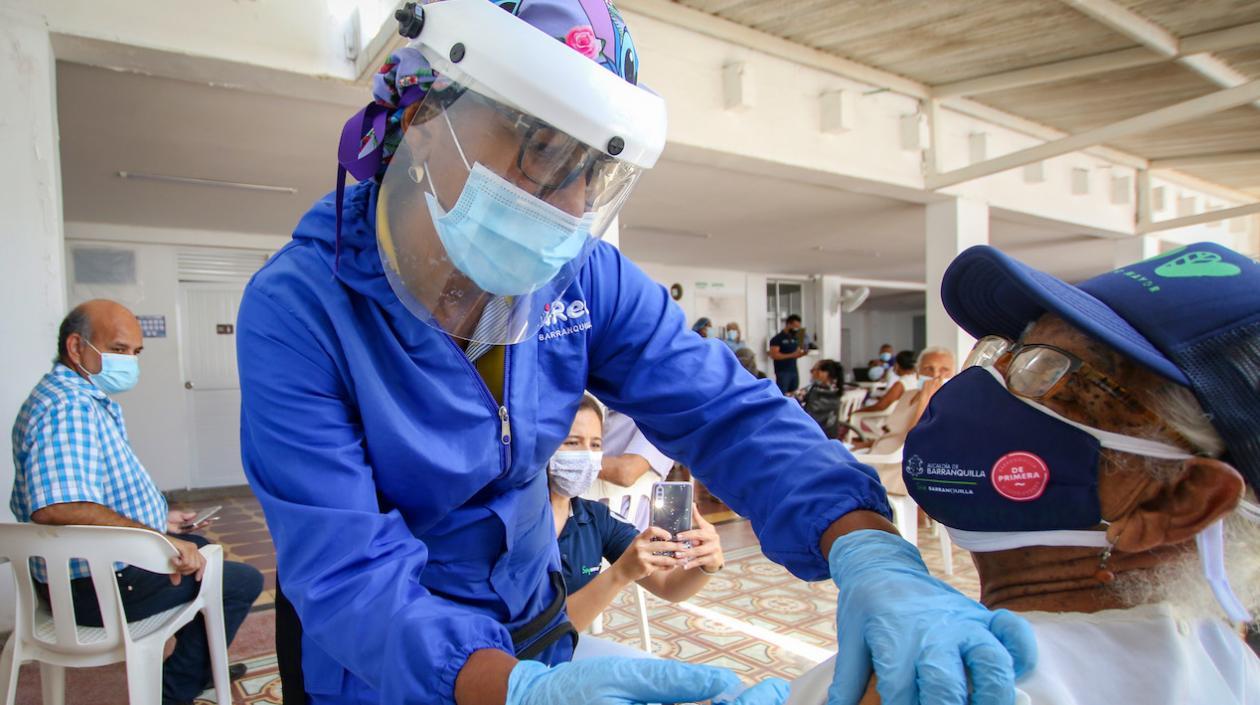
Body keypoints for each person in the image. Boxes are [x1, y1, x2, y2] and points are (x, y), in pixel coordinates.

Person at [236, 2, 1034, 704]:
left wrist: (866, 545)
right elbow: (348, 568)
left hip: (534, 621)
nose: (571, 202)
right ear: (422, 114)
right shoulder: (301, 310)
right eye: (543, 149)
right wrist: (509, 691)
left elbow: (725, 410)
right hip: (392, 665)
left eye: (594, 170)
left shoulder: (580, 279)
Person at [787, 242, 1260, 705]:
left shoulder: (937, 684)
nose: (984, 383)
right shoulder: (1222, 656)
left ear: (1177, 500)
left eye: (1053, 373)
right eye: (1006, 352)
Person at [10, 300, 263, 705]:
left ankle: (199, 664)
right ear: (76, 347)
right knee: (240, 581)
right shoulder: (68, 407)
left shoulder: (71, 396)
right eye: (118, 349)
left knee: (200, 550)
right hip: (95, 588)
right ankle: (174, 689)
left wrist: (161, 521)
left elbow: (89, 495)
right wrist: (156, 538)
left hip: (86, 575)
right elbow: (58, 507)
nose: (129, 361)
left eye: (135, 352)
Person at [548, 396, 723, 652]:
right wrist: (619, 574)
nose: (586, 456)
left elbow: (668, 586)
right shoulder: (516, 523)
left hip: (565, 649)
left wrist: (707, 564)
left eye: (595, 445)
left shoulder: (595, 519)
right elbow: (543, 632)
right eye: (572, 443)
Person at [584, 407, 675, 520]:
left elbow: (626, 472)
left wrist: (569, 459)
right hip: (578, 520)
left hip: (626, 524)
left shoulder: (662, 415)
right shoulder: (589, 409)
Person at [793, 360, 845, 439]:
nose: (811, 373)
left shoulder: (814, 390)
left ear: (823, 373)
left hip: (811, 434)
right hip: (831, 436)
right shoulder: (837, 390)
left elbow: (794, 398)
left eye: (812, 370)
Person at [769, 314, 808, 393]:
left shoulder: (795, 338)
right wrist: (792, 355)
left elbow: (796, 354)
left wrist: (803, 353)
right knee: (783, 393)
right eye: (795, 326)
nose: (796, 329)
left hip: (794, 371)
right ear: (788, 324)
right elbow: (774, 355)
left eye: (798, 327)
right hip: (782, 371)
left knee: (794, 393)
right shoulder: (777, 338)